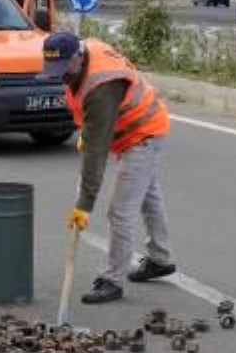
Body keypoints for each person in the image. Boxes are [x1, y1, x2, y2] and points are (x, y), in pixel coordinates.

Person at [41, 32, 176, 304]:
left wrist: (84, 204)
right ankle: (161, 258)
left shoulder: (101, 86)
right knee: (148, 197)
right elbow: (92, 129)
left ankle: (113, 280)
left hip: (143, 133)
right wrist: (87, 134)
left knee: (120, 211)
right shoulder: (82, 57)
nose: (59, 76)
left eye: (63, 68)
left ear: (78, 57)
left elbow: (96, 152)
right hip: (132, 130)